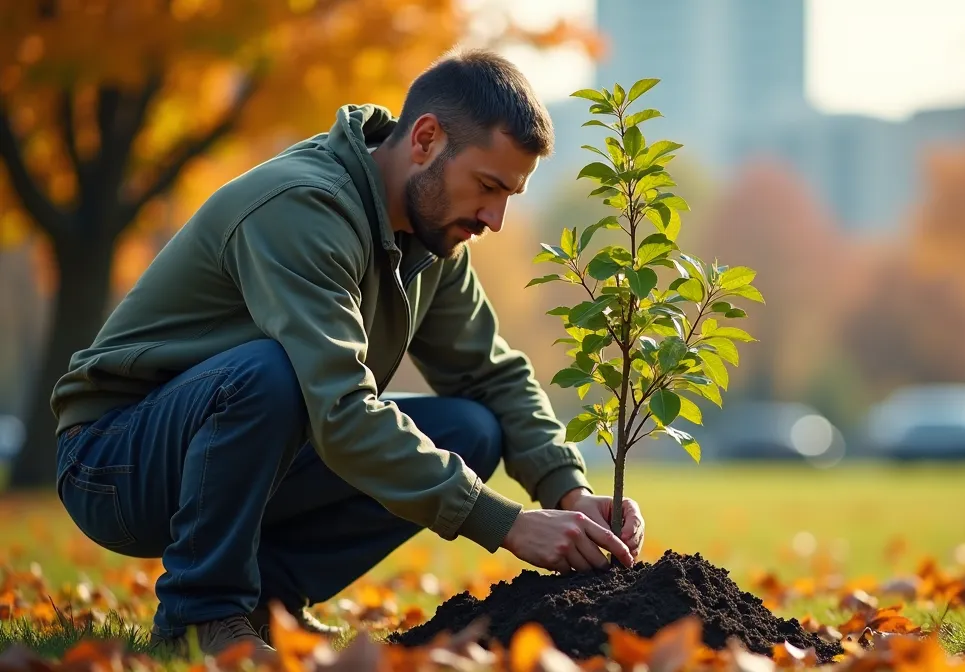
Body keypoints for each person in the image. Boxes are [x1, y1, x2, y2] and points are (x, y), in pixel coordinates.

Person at [48, 48, 644, 656]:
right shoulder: (302, 206)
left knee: (471, 427)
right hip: (115, 464)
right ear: (426, 140)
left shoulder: (431, 241)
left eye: (510, 195)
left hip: (242, 448)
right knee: (271, 371)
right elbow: (340, 409)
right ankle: (200, 618)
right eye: (488, 187)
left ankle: (268, 606)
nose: (494, 218)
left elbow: (492, 373)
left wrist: (569, 492)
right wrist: (506, 523)